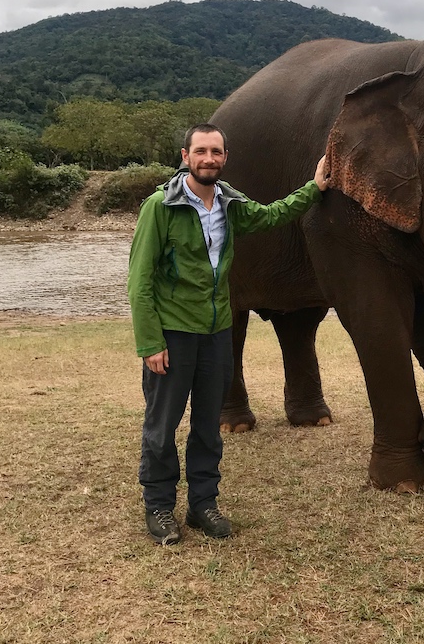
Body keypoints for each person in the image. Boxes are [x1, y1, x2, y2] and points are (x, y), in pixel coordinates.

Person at [128, 123, 328, 544]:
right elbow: (139, 280)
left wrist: (315, 186)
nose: (208, 159)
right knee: (162, 427)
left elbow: (274, 215)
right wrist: (150, 342)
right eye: (200, 151)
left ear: (224, 157)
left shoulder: (229, 204)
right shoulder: (159, 207)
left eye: (216, 152)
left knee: (207, 425)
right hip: (174, 334)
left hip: (216, 333)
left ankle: (203, 504)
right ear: (185, 156)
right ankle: (160, 507)